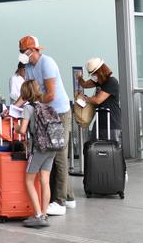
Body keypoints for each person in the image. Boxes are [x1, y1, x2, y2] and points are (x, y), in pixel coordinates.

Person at [16, 35, 74, 215]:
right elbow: (28, 92)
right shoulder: (28, 67)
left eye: (24, 51)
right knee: (53, 155)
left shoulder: (47, 63)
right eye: (20, 51)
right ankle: (69, 196)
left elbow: (50, 95)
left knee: (59, 154)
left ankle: (60, 202)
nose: (22, 55)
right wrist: (14, 107)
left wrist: (32, 103)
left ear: (34, 50)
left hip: (59, 113)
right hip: (43, 113)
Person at [15, 80, 53, 228]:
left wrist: (17, 127)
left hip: (38, 149)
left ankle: (37, 215)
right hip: (52, 147)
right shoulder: (46, 106)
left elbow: (23, 130)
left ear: (25, 93)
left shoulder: (28, 108)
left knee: (29, 181)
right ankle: (44, 214)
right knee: (45, 180)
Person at [75, 57, 123, 146]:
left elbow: (98, 100)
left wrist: (84, 98)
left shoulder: (111, 82)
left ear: (100, 71)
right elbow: (85, 84)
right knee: (95, 149)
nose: (93, 76)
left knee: (111, 152)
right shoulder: (99, 81)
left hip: (111, 123)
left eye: (94, 73)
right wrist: (80, 78)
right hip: (99, 122)